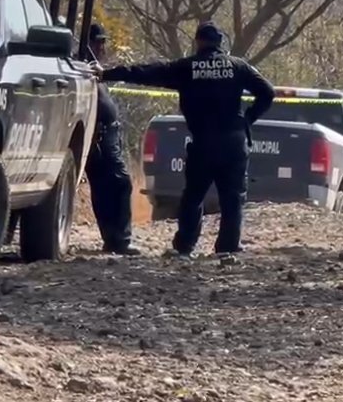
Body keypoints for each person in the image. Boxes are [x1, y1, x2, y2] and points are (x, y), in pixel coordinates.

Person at [96, 22, 275, 259]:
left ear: (198, 42)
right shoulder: (238, 66)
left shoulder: (186, 68)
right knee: (232, 197)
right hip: (234, 140)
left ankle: (184, 246)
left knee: (193, 195)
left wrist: (107, 74)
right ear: (221, 43)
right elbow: (267, 92)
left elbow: (145, 72)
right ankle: (228, 247)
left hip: (204, 141)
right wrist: (247, 119)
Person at [84, 24, 140, 255]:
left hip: (107, 133)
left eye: (103, 41)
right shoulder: (83, 65)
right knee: (120, 182)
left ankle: (113, 239)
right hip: (99, 135)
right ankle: (120, 239)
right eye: (97, 42)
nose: (101, 46)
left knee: (106, 188)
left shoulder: (95, 67)